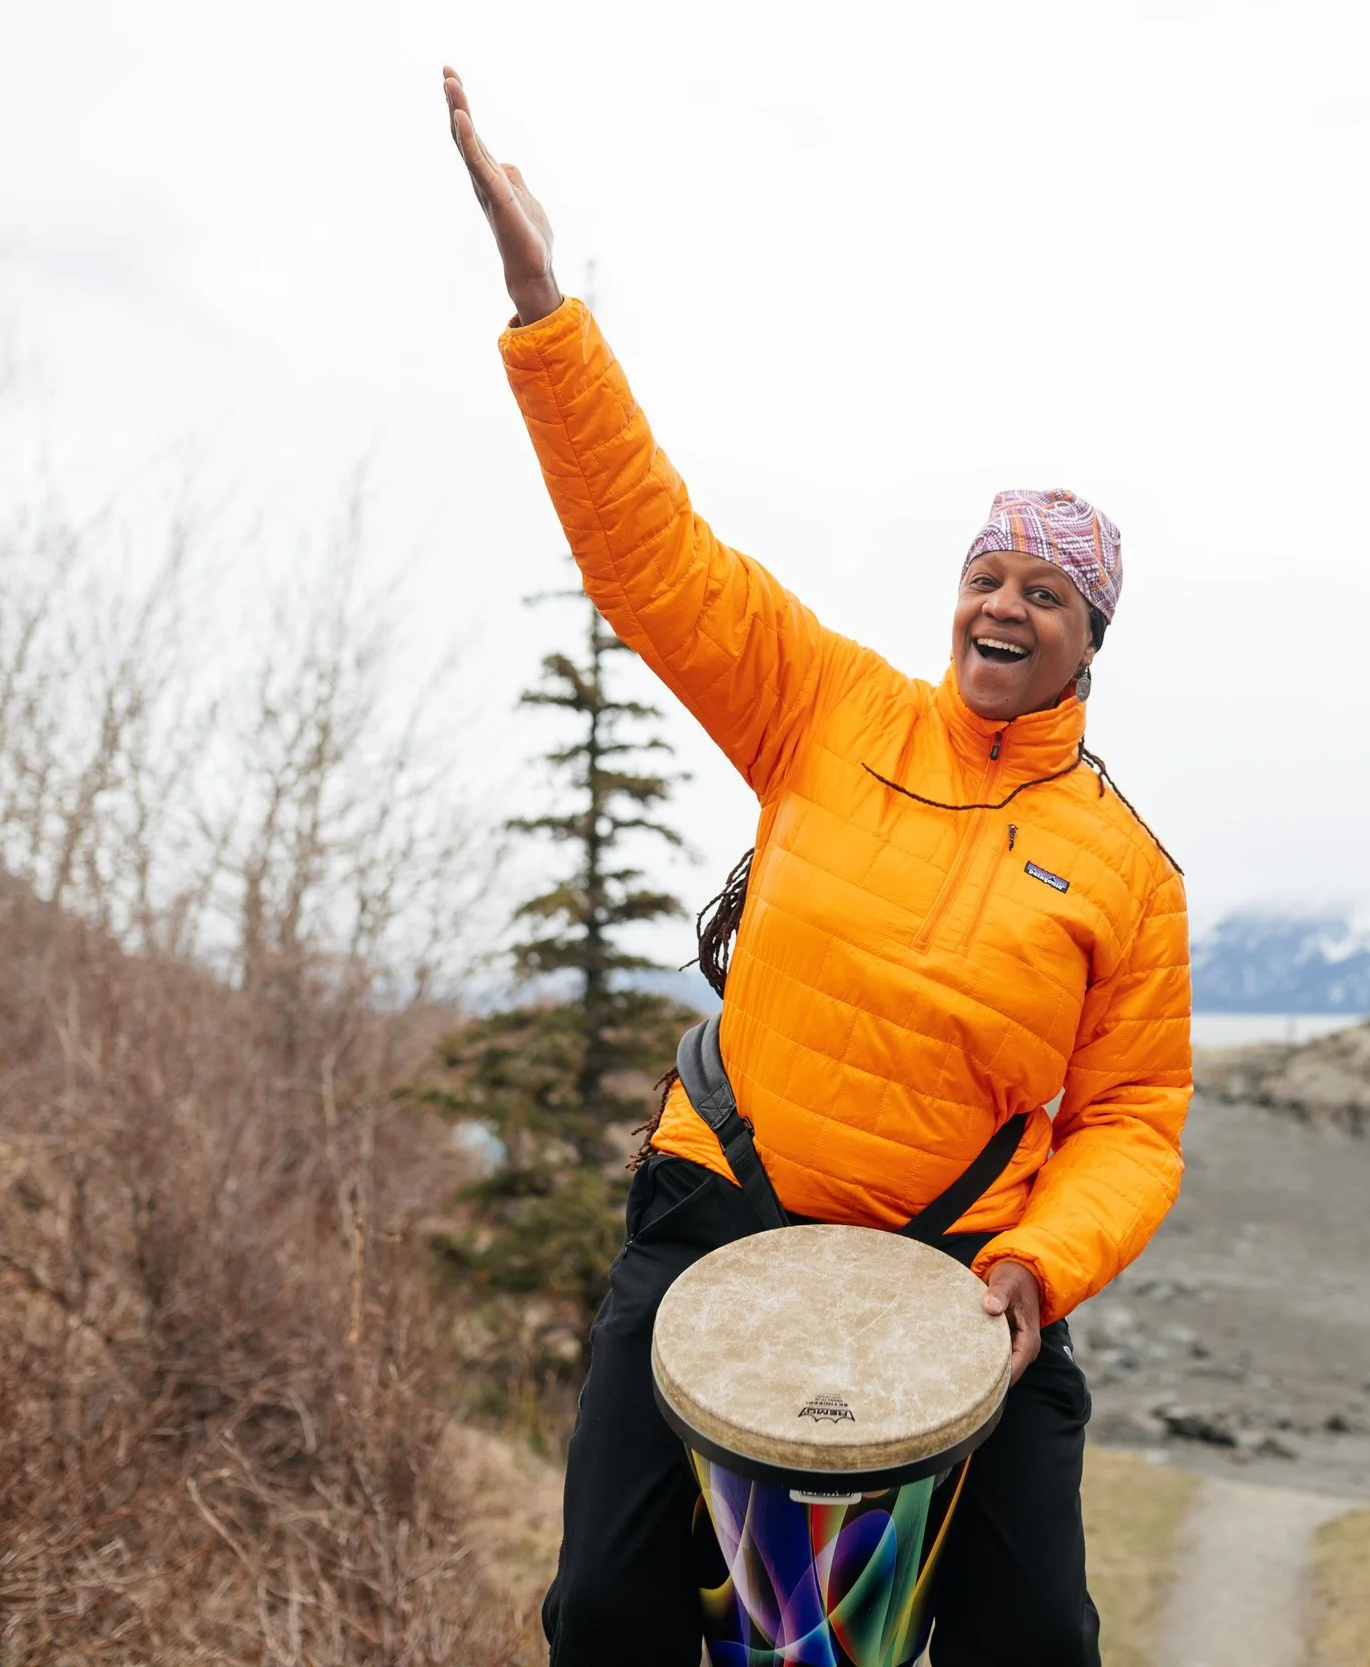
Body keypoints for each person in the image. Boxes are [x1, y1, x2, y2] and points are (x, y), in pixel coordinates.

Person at [443, 67, 1192, 1667]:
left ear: (1091, 639)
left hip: (959, 1271)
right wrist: (543, 308)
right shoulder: (828, 707)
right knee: (603, 1609)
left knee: (1038, 1636)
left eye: (1045, 593)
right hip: (720, 1215)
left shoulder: (1129, 868)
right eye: (986, 574)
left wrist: (1040, 1263)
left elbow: (1133, 1120)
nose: (1003, 604)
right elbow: (653, 558)